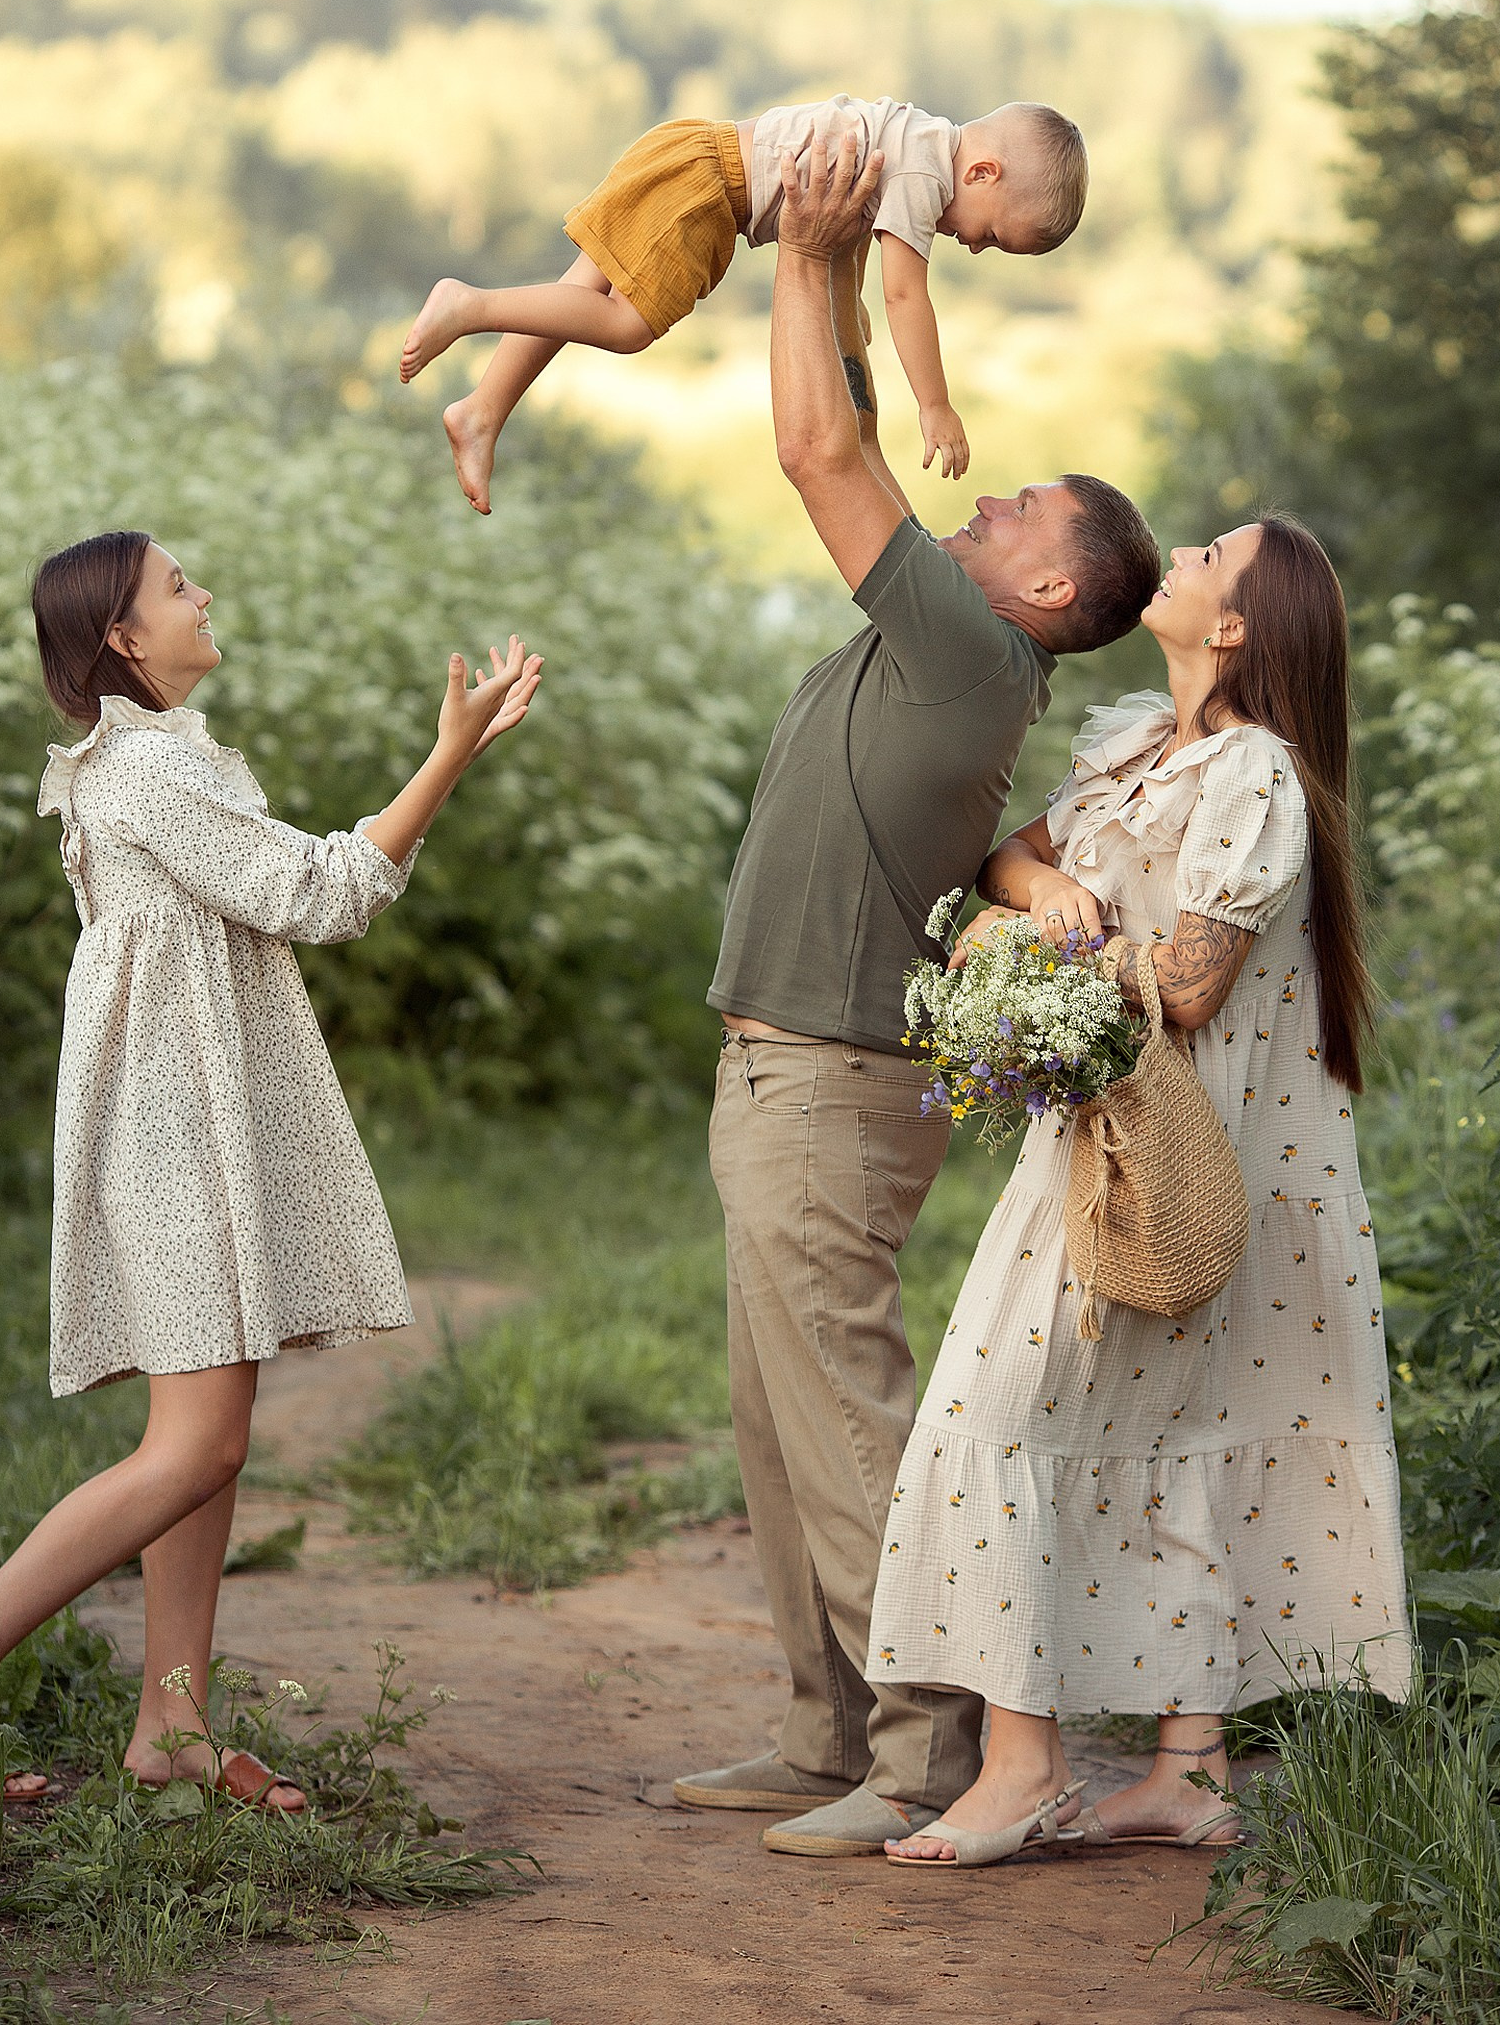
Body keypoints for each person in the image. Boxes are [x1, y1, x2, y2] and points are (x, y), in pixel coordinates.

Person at [0, 531, 541, 1808]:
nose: (205, 596)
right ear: (122, 640)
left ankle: (170, 1730)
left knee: (209, 1442)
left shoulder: (161, 761)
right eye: (178, 588)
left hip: (189, 1122)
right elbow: (323, 891)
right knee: (194, 1447)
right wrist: (447, 755)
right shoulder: (139, 776)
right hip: (171, 1133)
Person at [670, 130, 1160, 1860]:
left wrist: (801, 259)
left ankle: (928, 1751)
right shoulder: (942, 636)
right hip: (782, 1073)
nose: (995, 497)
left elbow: (816, 450)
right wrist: (829, 266)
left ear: (1045, 591)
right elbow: (856, 425)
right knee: (775, 1413)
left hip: (823, 1083)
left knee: (849, 1418)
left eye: (1024, 510)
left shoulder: (972, 643)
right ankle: (824, 1733)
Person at [866, 514, 1411, 1869]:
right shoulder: (1134, 749)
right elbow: (1007, 858)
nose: (1183, 555)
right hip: (1106, 1130)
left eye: (1210, 557)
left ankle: (1023, 1765)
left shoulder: (1254, 778)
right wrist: (1039, 890)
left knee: (1011, 1406)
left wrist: (1029, 965)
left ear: (1234, 627)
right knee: (1167, 1420)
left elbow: (1190, 983)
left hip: (1194, 1146)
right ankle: (1190, 1770)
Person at [398, 91, 1088, 512]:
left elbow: (843, 250)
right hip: (706, 187)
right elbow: (907, 294)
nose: (974, 246)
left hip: (692, 154)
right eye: (993, 235)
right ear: (982, 172)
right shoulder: (922, 171)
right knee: (629, 325)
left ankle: (481, 412)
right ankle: (471, 306)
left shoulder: (914, 139)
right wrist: (935, 407)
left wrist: (850, 323)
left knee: (576, 294)